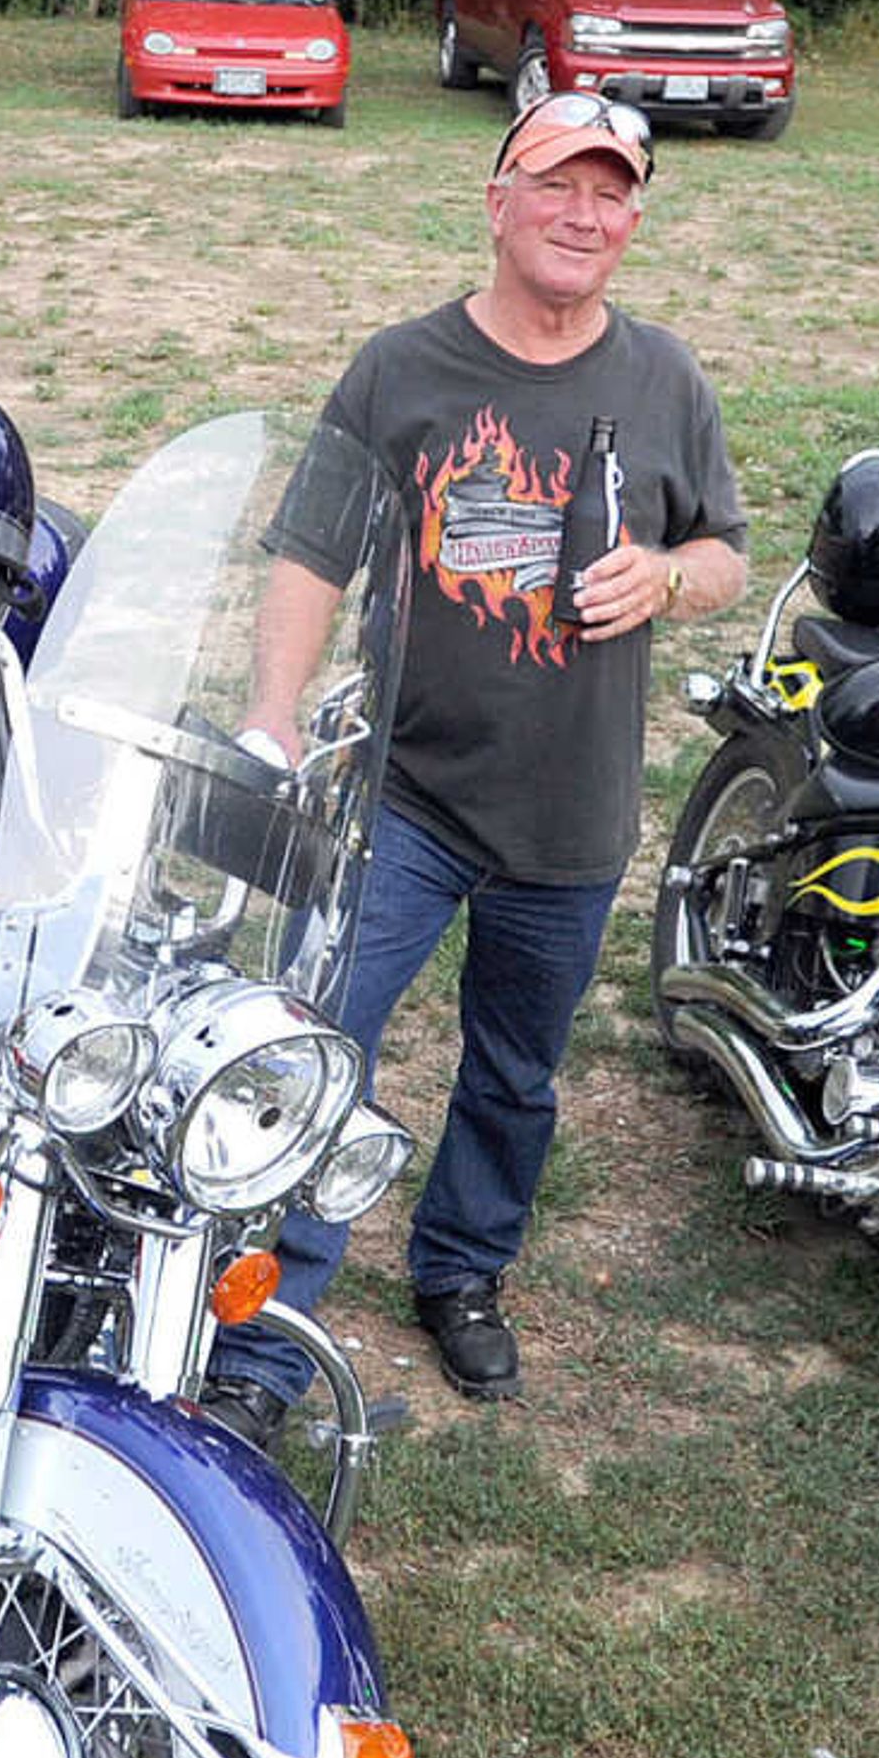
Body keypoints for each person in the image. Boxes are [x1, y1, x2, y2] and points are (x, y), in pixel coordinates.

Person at [205, 91, 748, 1442]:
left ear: (633, 218)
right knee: (325, 1047)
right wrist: (273, 715)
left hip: (571, 811)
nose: (585, 214)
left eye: (612, 192)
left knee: (515, 1071)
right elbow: (311, 553)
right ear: (498, 199)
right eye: (559, 185)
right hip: (408, 791)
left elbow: (727, 552)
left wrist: (670, 577)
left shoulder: (665, 379)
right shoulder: (404, 370)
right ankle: (266, 1332)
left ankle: (461, 1271)